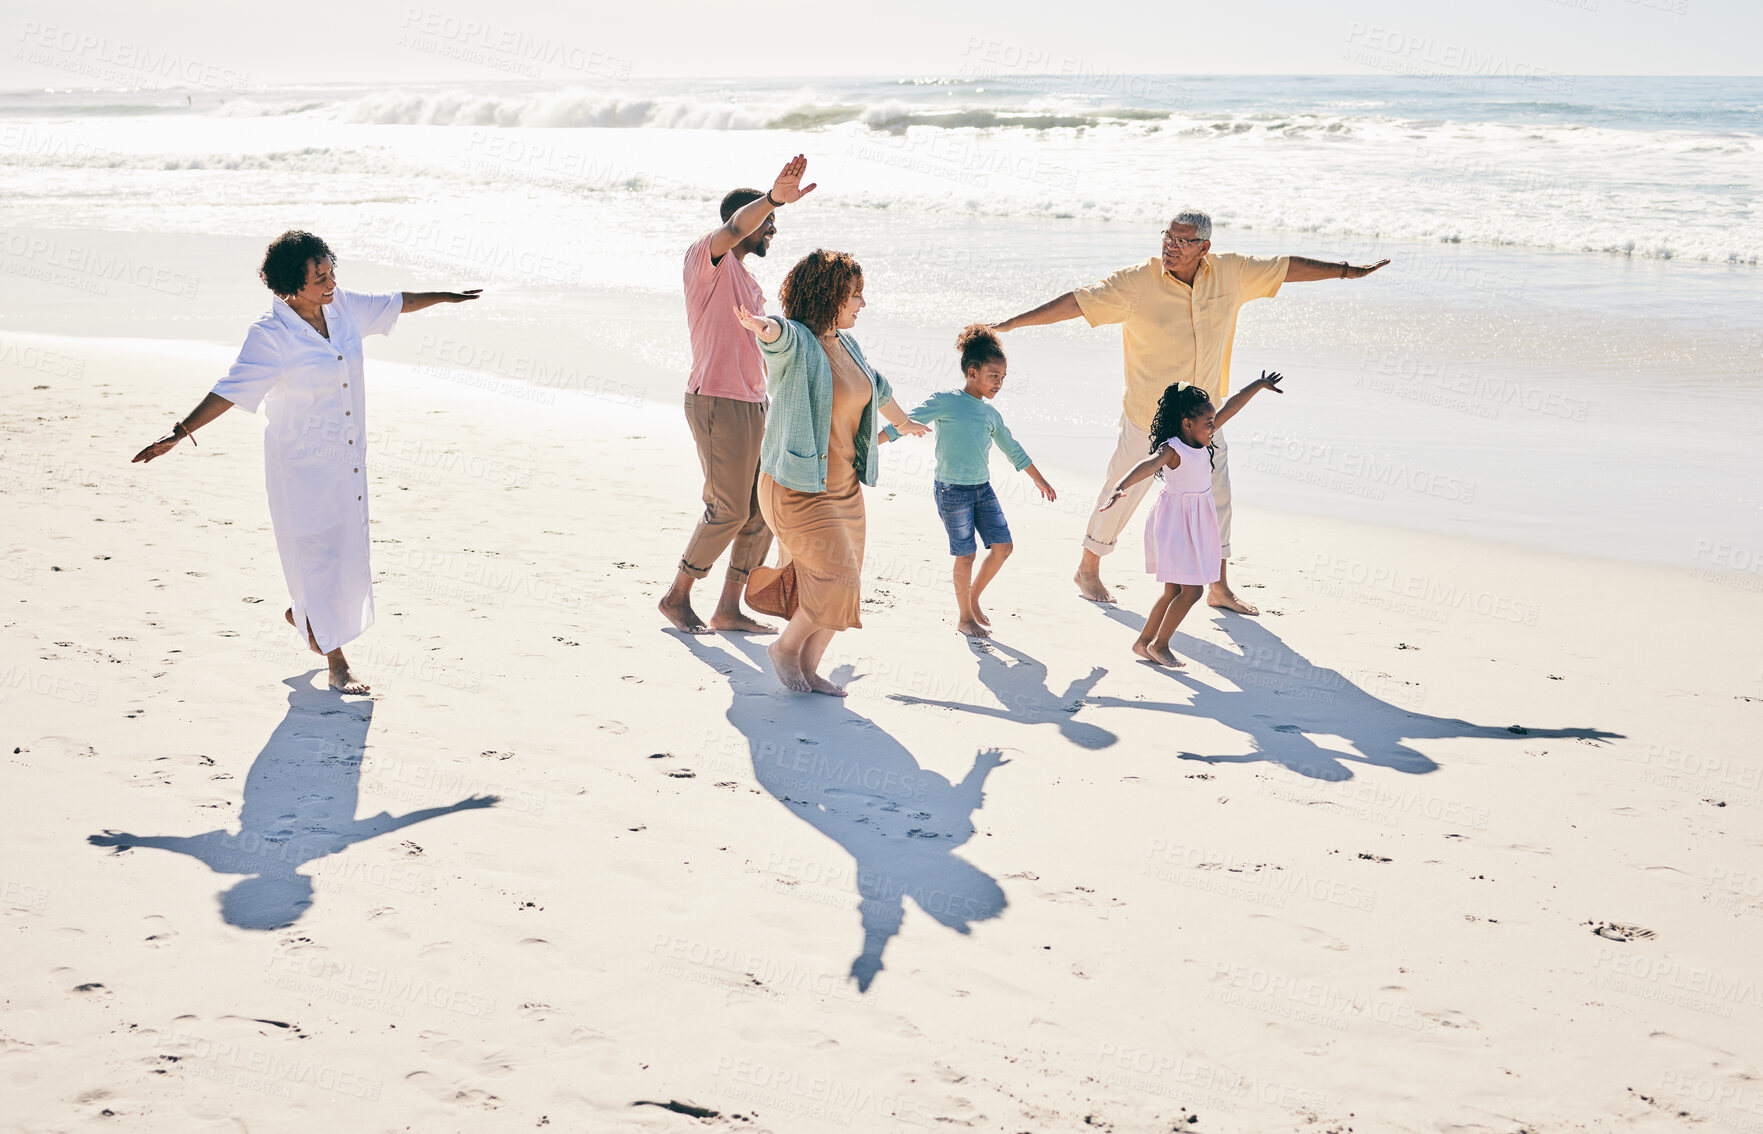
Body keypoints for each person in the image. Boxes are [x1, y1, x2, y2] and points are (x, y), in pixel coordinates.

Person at [131, 231, 480, 693]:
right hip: (301, 467)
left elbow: (396, 301)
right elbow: (230, 389)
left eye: (331, 270)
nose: (330, 281)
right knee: (315, 554)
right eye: (319, 277)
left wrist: (446, 297)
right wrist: (179, 434)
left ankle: (304, 613)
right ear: (289, 285)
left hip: (347, 461)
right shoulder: (270, 336)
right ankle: (336, 661)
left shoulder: (342, 307)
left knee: (345, 551)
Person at [991, 209, 1388, 612]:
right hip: (1148, 416)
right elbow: (1078, 303)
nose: (1171, 246)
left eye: (1182, 241)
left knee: (1217, 498)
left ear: (1204, 248)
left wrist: (1347, 272)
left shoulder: (1232, 273)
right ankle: (1088, 568)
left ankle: (1219, 587)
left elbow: (1286, 268)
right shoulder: (1136, 283)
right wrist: (1013, 323)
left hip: (1203, 423)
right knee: (1122, 490)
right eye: (1168, 237)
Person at [732, 248, 929, 696]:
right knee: (836, 576)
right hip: (796, 487)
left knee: (846, 581)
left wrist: (902, 423)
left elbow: (876, 386)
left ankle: (809, 664)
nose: (863, 303)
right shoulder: (799, 341)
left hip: (843, 488)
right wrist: (766, 327)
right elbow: (777, 339)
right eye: (856, 295)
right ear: (830, 295)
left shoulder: (848, 344)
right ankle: (784, 650)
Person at [657, 155, 817, 636]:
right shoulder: (707, 259)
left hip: (752, 402)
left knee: (762, 510)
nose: (773, 231)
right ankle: (677, 596)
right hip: (717, 401)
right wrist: (770, 199)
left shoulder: (748, 281)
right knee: (727, 509)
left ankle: (728, 607)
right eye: (768, 223)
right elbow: (731, 228)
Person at [1100, 372, 1286, 668]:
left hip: (1196, 521)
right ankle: (1160, 645)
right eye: (1208, 423)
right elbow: (1147, 465)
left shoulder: (1201, 438)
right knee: (1194, 591)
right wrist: (1120, 487)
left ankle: (1143, 642)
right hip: (1176, 524)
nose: (1214, 427)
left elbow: (1232, 407)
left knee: (1174, 591)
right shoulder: (1173, 448)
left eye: (1213, 422)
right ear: (1187, 424)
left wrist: (1258, 385)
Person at [880, 324, 1056, 638]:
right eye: (993, 376)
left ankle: (973, 598)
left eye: (1003, 377)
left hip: (982, 488)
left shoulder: (990, 415)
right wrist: (869, 444)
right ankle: (964, 617)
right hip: (951, 490)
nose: (999, 383)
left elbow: (1012, 448)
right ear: (972, 372)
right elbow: (904, 422)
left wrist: (1039, 480)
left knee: (1003, 547)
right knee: (966, 554)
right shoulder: (946, 400)